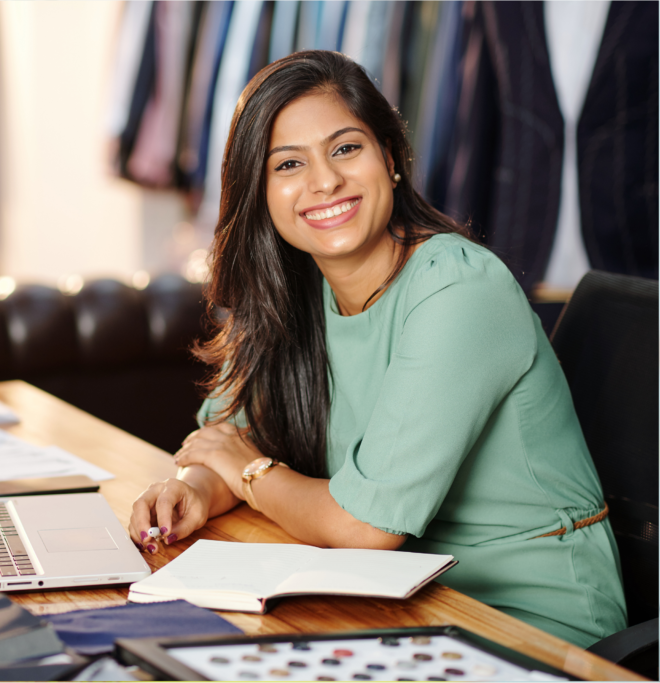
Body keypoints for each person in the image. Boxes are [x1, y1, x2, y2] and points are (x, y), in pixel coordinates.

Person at [128, 50, 626, 648]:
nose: (325, 181)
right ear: (259, 193)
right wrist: (191, 490)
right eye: (289, 164)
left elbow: (365, 527)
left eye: (345, 149)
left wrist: (246, 469)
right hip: (384, 598)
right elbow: (225, 441)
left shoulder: (458, 288)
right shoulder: (290, 293)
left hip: (527, 615)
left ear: (390, 159)